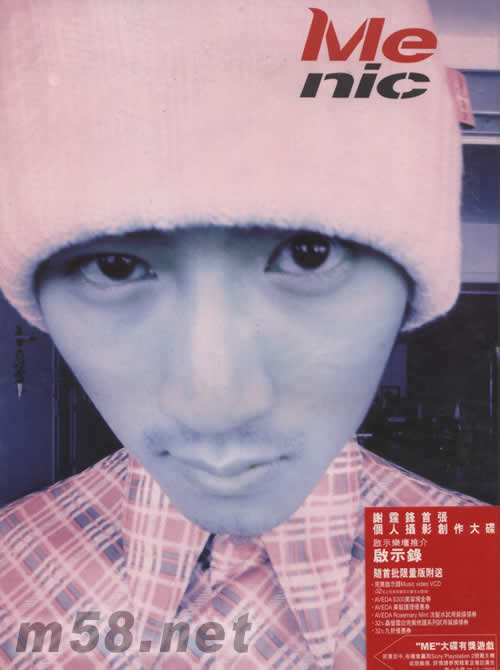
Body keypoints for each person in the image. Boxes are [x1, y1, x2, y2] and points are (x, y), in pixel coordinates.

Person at [0, 1, 483, 668]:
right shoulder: (9, 579)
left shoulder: (471, 570)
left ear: (411, 288)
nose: (216, 405)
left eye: (308, 254)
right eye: (114, 266)